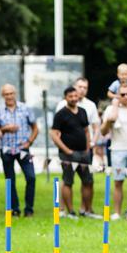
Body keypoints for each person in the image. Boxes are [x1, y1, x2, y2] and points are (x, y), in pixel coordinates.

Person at [100, 83, 127, 219]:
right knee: (118, 182)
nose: (125, 97)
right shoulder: (111, 109)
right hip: (117, 149)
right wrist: (109, 121)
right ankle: (117, 212)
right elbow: (103, 132)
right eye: (122, 94)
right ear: (117, 96)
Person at [0, 84, 39, 216]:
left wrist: (29, 142)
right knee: (10, 180)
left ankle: (29, 209)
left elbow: (35, 128)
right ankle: (14, 209)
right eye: (6, 94)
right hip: (6, 150)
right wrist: (5, 129)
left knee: (31, 177)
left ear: (15, 94)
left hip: (23, 149)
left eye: (11, 93)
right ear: (2, 95)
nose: (9, 96)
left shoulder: (25, 108)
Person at [51, 86, 93, 219]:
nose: (74, 99)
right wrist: (66, 150)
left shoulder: (83, 111)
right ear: (66, 98)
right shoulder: (60, 114)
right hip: (68, 154)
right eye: (71, 96)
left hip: (84, 153)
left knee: (88, 181)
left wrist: (88, 148)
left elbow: (86, 131)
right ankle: (71, 212)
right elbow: (54, 134)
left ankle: (86, 210)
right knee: (68, 182)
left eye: (75, 96)